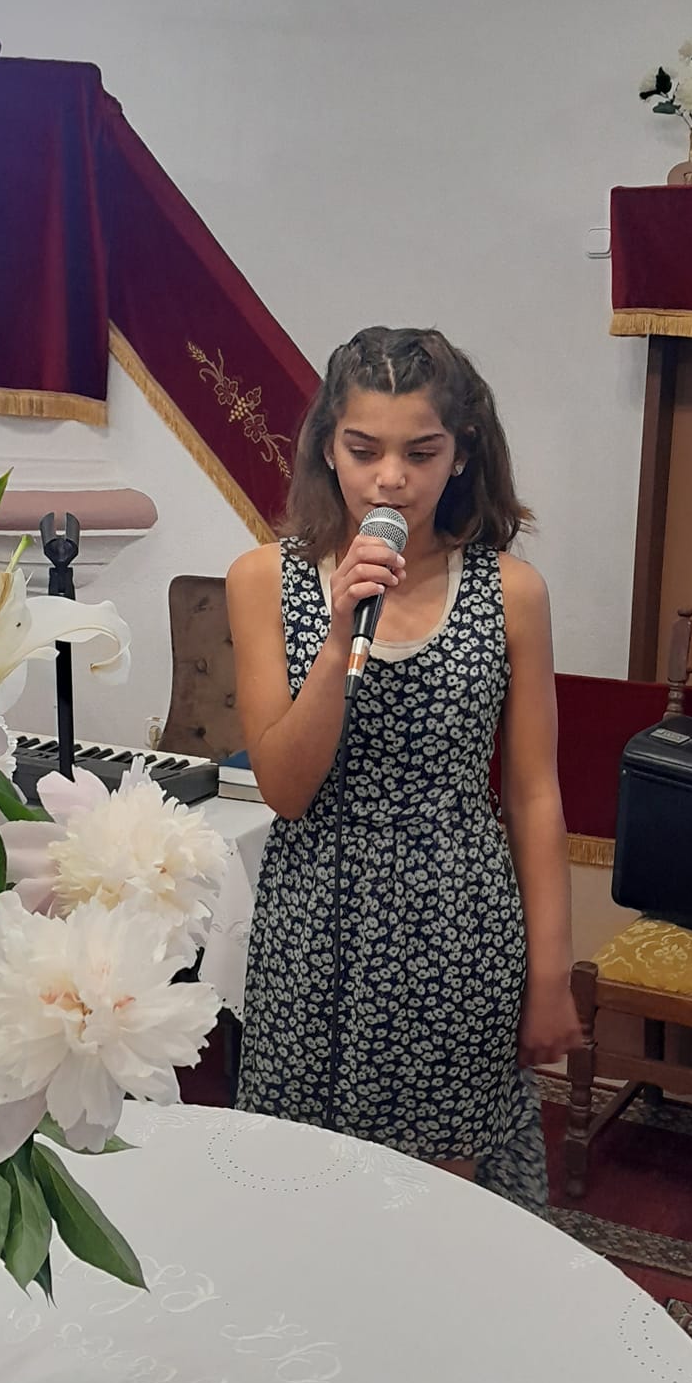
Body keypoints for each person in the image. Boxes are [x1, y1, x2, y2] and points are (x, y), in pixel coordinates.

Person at [226, 326, 579, 1212]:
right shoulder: (263, 580)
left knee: (437, 1202)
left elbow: (534, 793)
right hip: (315, 921)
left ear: (461, 453)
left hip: (457, 923)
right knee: (301, 1190)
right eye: (364, 450)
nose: (391, 479)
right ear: (326, 449)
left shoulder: (511, 593)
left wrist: (551, 974)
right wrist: (340, 634)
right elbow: (285, 789)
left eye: (421, 453)